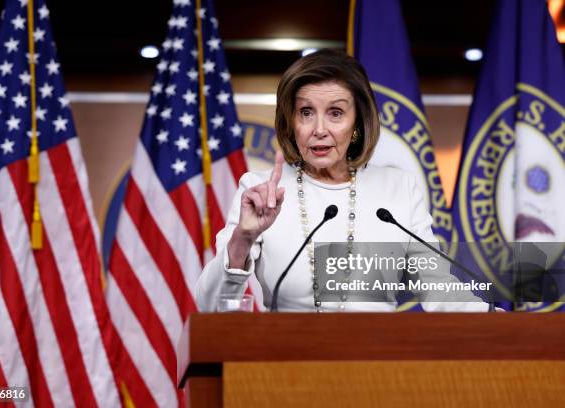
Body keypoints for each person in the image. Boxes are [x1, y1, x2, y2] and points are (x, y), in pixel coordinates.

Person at [196, 49, 490, 312]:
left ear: (358, 124)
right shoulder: (261, 192)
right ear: (291, 122)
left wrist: (497, 322)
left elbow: (437, 286)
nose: (319, 129)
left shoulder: (397, 189)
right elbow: (210, 305)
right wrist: (243, 239)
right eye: (306, 113)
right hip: (284, 364)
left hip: (378, 365)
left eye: (335, 113)